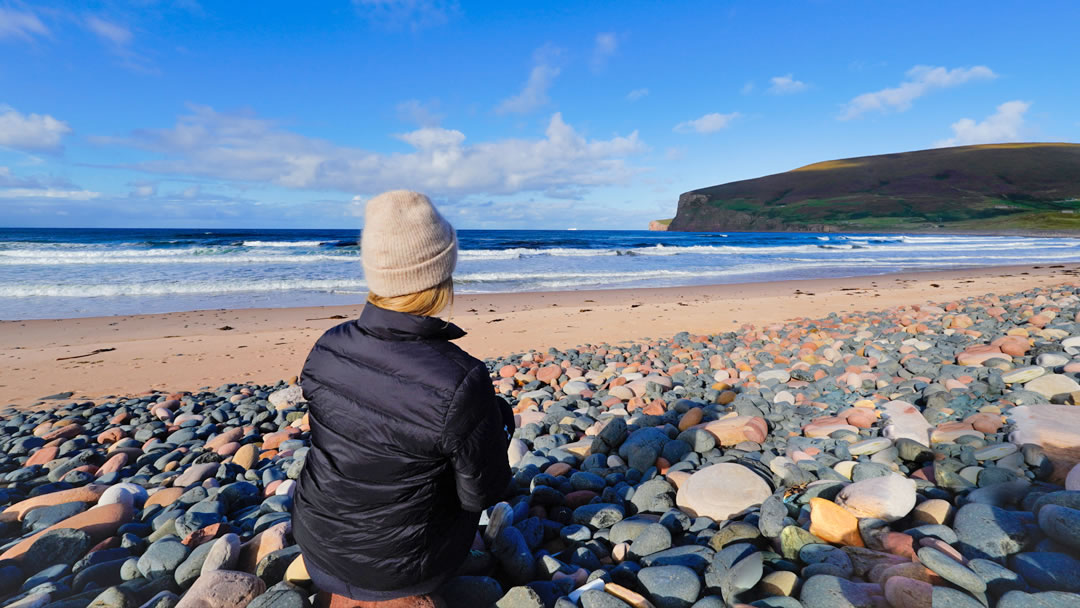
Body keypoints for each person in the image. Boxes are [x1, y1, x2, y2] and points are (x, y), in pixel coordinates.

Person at [292, 190, 514, 608]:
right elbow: (481, 495)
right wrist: (496, 425)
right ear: (441, 273)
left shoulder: (328, 346)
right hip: (405, 568)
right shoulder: (460, 378)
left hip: (317, 542)